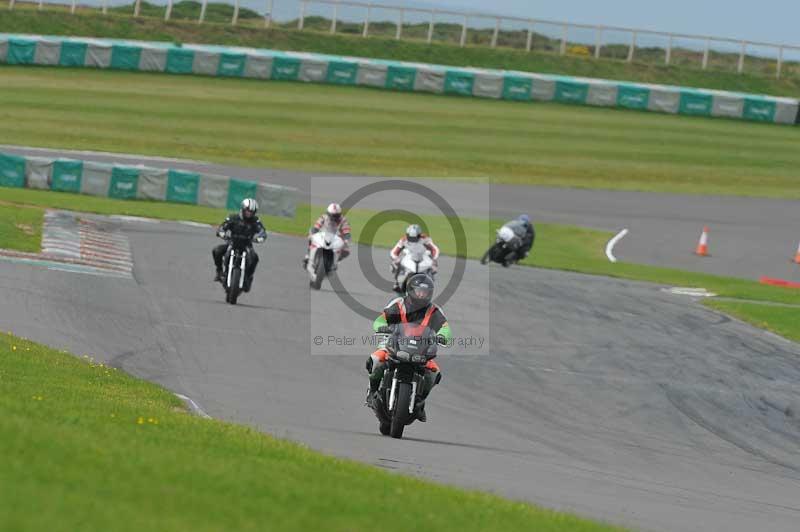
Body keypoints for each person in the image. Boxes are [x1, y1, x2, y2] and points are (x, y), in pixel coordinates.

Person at [365, 273, 452, 422]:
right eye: (418, 291)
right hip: (394, 342)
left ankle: (420, 402)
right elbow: (381, 319)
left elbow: (445, 328)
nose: (421, 295)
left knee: (434, 372)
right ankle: (372, 391)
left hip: (421, 349)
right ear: (410, 290)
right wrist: (383, 327)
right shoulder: (398, 304)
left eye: (425, 292)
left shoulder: (434, 311)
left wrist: (442, 336)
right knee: (376, 359)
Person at [212, 198, 267, 292]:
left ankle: (248, 278)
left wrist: (260, 238)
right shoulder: (233, 217)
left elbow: (262, 231)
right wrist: (222, 233)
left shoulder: (255, 221)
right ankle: (219, 271)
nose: (249, 213)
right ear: (243, 209)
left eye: (252, 212)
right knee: (216, 250)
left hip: (247, 246)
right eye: (248, 211)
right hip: (232, 243)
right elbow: (222, 227)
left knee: (254, 257)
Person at [389, 224, 440, 291]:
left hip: (423, 256)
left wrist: (434, 259)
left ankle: (430, 280)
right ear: (407, 235)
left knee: (433, 267)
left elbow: (435, 249)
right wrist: (396, 258)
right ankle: (396, 283)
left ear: (419, 235)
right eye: (410, 237)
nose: (412, 240)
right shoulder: (403, 240)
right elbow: (394, 252)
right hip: (409, 256)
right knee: (395, 264)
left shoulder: (425, 239)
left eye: (414, 238)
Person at [303, 203, 352, 269]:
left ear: (340, 214)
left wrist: (346, 239)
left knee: (346, 251)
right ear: (328, 214)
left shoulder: (343, 220)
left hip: (336, 238)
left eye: (336, 215)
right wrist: (314, 232)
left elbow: (346, 231)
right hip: (323, 235)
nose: (334, 217)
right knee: (311, 237)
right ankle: (308, 256)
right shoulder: (323, 217)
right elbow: (316, 226)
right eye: (333, 215)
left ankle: (336, 261)